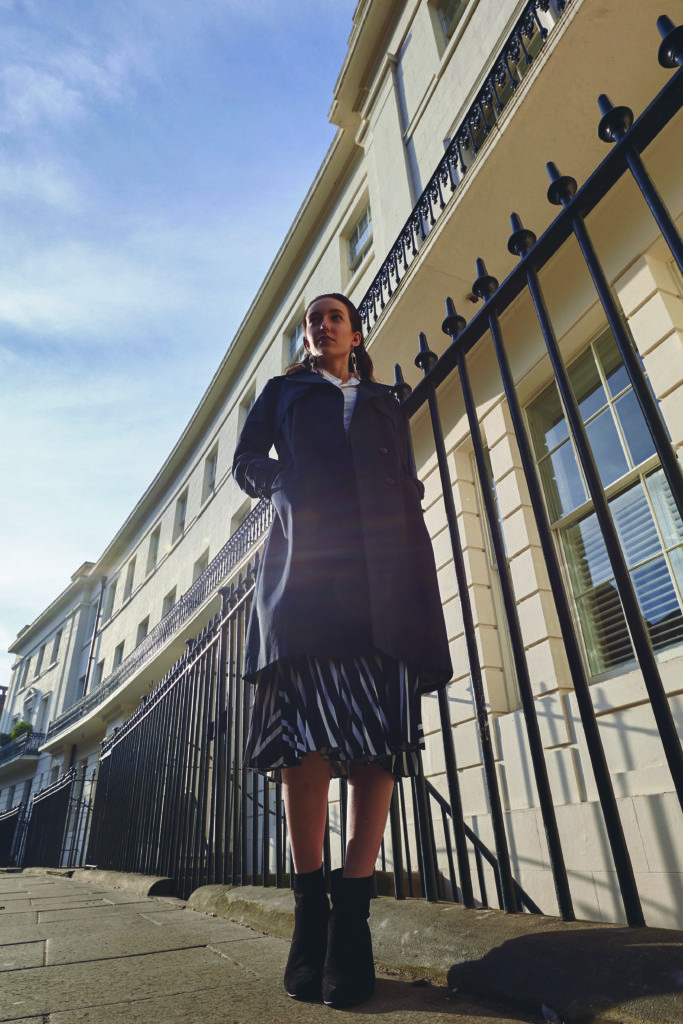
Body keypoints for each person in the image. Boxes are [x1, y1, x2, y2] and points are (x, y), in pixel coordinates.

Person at [232, 293, 451, 1008]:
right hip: (310, 567)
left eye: (333, 316)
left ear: (355, 333)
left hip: (383, 571)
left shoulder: (387, 398)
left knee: (375, 740)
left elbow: (408, 477)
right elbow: (246, 461)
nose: (320, 325)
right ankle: (309, 912)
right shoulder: (285, 391)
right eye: (311, 319)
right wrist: (284, 485)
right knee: (308, 740)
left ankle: (352, 919)